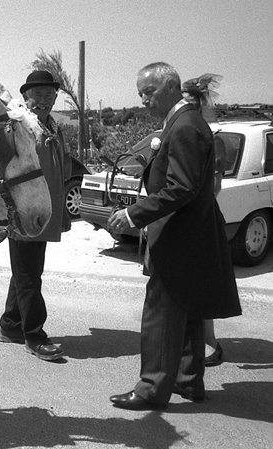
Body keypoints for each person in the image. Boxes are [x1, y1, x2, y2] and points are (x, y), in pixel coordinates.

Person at [108, 62, 241, 410]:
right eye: (140, 94)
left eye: (148, 92)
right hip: (190, 232)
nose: (143, 100)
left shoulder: (183, 127)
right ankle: (187, 380)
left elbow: (180, 188)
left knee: (161, 310)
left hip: (179, 235)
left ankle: (151, 388)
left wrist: (133, 214)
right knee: (187, 307)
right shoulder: (186, 122)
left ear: (170, 87)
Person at [0, 70, 71, 361]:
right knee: (30, 274)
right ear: (26, 98)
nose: (43, 101)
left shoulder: (51, 124)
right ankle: (35, 335)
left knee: (25, 271)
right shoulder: (21, 126)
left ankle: (11, 325)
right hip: (26, 210)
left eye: (48, 95)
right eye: (37, 96)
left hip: (45, 209)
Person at [181, 73, 226, 367]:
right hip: (187, 217)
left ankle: (209, 344)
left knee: (200, 283)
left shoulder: (210, 138)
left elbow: (216, 186)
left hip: (200, 217)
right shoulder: (183, 130)